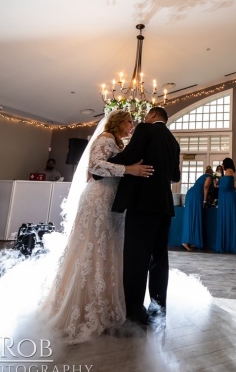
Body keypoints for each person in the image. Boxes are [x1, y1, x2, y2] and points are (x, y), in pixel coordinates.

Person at [43, 110, 153, 341]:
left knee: (109, 247)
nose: (131, 125)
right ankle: (84, 306)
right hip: (99, 197)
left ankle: (107, 302)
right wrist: (129, 170)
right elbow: (94, 166)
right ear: (117, 123)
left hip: (111, 198)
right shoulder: (104, 139)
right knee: (94, 245)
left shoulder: (118, 143)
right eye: (129, 121)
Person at [108, 106, 181, 327]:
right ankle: (158, 311)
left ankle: (134, 317)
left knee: (136, 259)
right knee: (159, 260)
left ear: (153, 115)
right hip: (164, 207)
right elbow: (175, 175)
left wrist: (108, 161)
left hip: (143, 204)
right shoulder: (173, 141)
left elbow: (130, 156)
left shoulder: (146, 129)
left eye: (145, 116)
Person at [182, 170, 212, 251]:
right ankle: (186, 241)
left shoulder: (202, 177)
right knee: (195, 216)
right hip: (196, 195)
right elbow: (206, 187)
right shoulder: (209, 177)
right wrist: (205, 201)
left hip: (192, 194)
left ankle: (191, 240)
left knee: (192, 216)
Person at [213, 158, 236, 254]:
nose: (222, 165)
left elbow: (226, 185)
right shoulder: (228, 172)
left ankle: (227, 244)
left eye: (223, 163)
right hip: (225, 197)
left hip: (227, 198)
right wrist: (217, 184)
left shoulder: (228, 171)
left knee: (227, 218)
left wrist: (218, 184)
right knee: (226, 218)